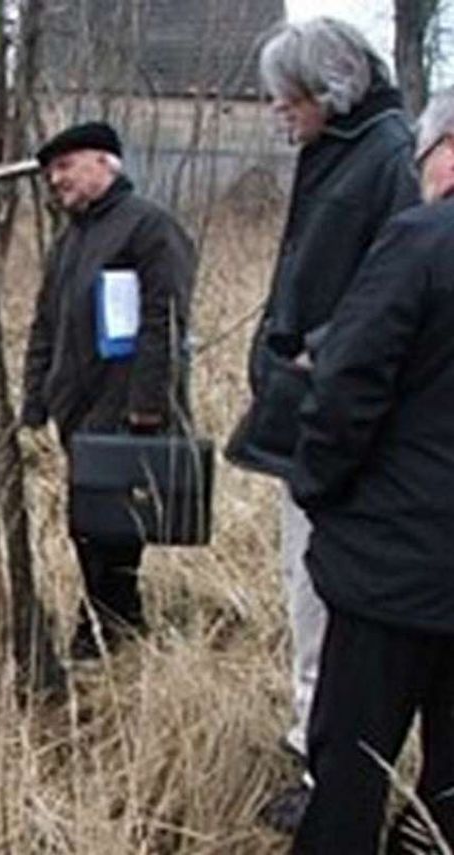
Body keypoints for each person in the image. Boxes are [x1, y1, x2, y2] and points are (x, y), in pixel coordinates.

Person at [221, 18, 420, 827]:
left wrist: (324, 356)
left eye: (286, 97)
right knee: (306, 586)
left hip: (341, 426)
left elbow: (402, 285)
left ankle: (325, 767)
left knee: (322, 593)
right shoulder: (343, 153)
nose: (276, 111)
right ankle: (314, 739)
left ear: (328, 92)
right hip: (309, 416)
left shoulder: (385, 159)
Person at [287, 85, 454, 854]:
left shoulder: (421, 242)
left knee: (350, 769)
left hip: (393, 567)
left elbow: (345, 384)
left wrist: (320, 490)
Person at [20, 121, 196, 662]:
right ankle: (117, 621)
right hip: (77, 412)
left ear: (105, 162)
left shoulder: (149, 228)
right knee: (87, 528)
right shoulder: (71, 237)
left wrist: (148, 406)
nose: (56, 179)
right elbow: (45, 322)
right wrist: (35, 400)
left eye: (66, 166)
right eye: (51, 171)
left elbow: (162, 321)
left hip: (125, 411)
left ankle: (103, 631)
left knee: (113, 532)